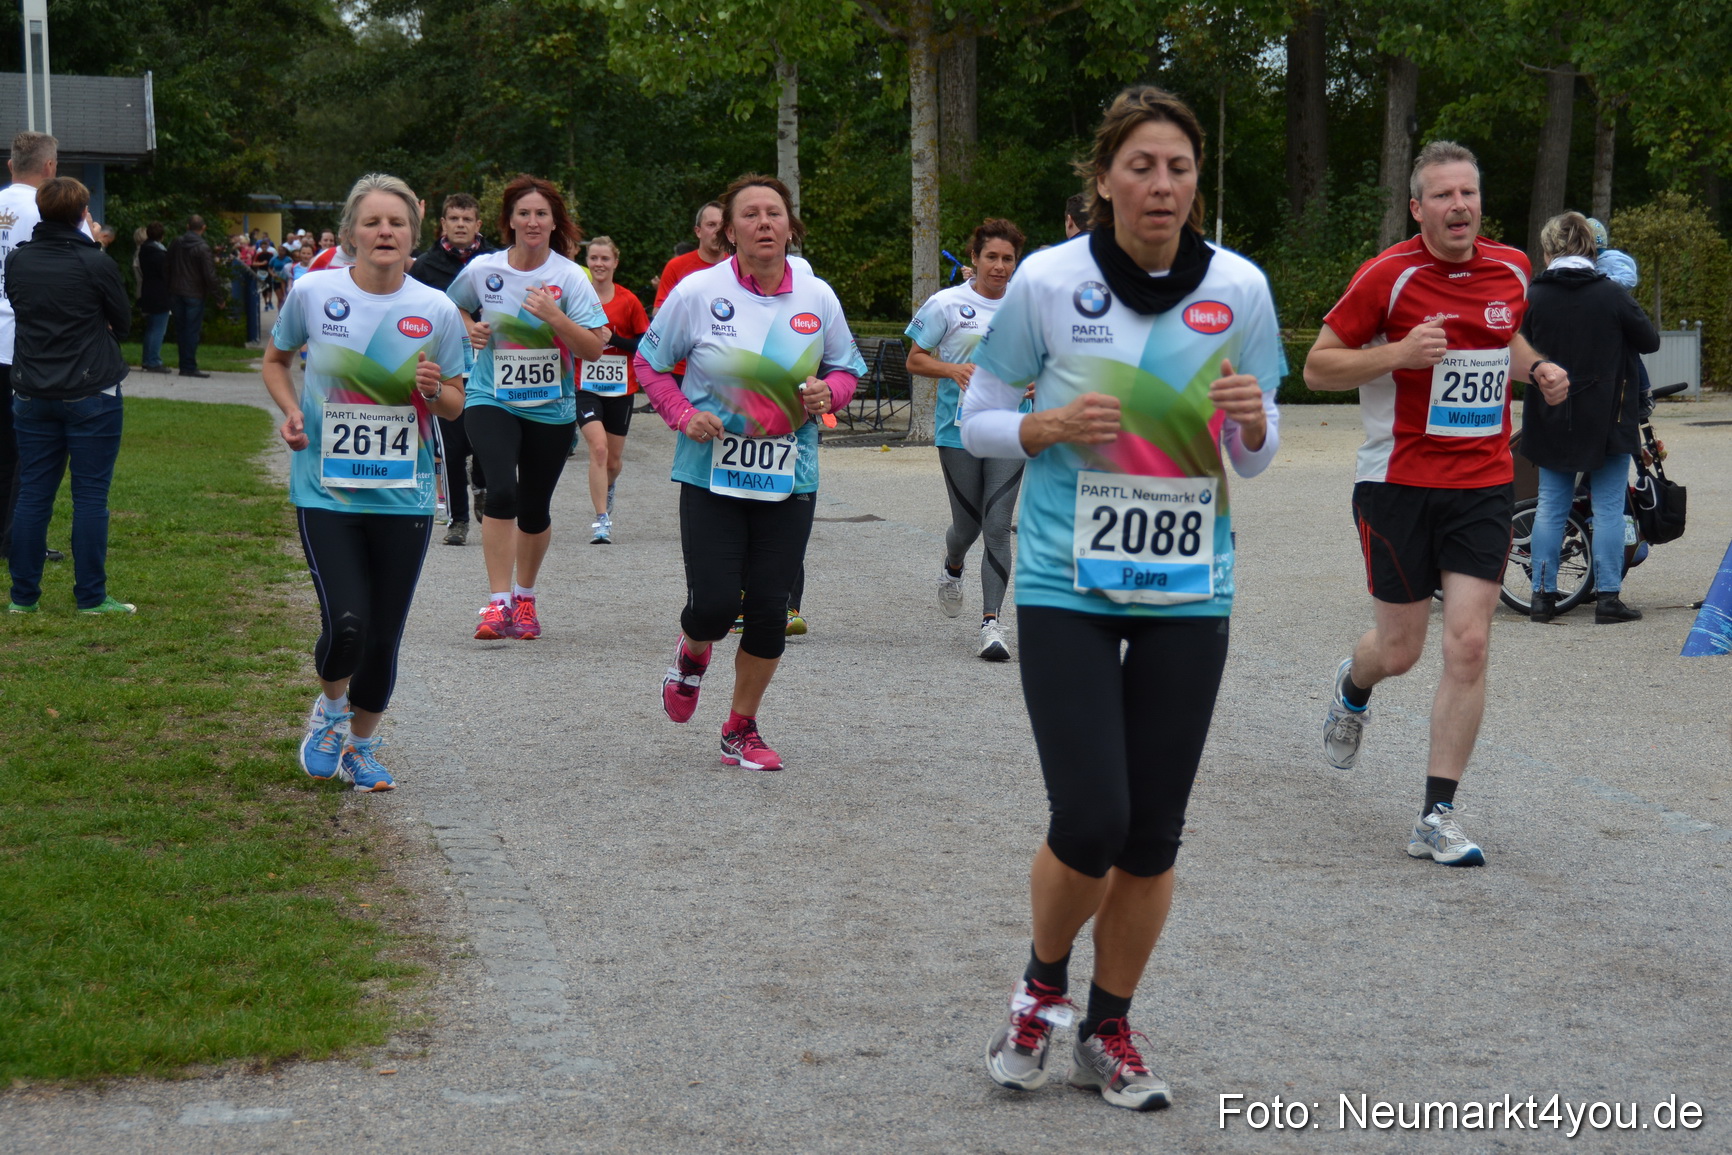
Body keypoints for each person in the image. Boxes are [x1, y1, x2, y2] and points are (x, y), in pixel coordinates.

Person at [962, 86, 1282, 1111]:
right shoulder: (1048, 284)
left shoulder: (1238, 288)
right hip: (1067, 581)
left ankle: (1108, 1026)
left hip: (1191, 586)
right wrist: (1041, 432)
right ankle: (1039, 986)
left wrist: (1250, 422)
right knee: (1092, 814)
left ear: (1197, 184)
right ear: (1103, 179)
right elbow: (978, 414)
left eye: (1178, 168)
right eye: (1140, 166)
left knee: (1152, 834)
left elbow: (1257, 453)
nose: (1160, 184)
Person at [1303, 140, 1569, 867]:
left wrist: (1537, 365)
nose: (1459, 206)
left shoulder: (1512, 267)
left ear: (1481, 203)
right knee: (1399, 648)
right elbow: (1318, 364)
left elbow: (1502, 332)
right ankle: (1352, 686)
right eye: (1443, 196)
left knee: (1470, 642)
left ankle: (1436, 812)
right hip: (1397, 484)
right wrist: (1396, 354)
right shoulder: (1386, 277)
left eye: (1469, 194)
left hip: (1482, 482)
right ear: (1417, 207)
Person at [637, 173, 865, 772]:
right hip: (711, 472)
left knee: (768, 608)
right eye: (751, 215)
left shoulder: (817, 296)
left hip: (791, 475)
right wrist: (683, 414)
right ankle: (692, 655)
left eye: (775, 213)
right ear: (729, 229)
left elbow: (846, 368)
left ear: (791, 226)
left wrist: (828, 394)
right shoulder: (695, 291)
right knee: (713, 606)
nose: (764, 223)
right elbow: (649, 364)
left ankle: (741, 726)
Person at [262, 173, 470, 792]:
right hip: (326, 490)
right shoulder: (313, 292)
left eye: (397, 223)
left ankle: (362, 744)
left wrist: (438, 391)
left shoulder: (435, 309)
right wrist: (292, 413)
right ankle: (329, 714)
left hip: (403, 496)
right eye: (373, 222)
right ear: (351, 232)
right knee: (346, 623)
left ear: (413, 235)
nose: (385, 232)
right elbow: (278, 361)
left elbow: (459, 403)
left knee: (383, 635)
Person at [447, 174, 609, 641]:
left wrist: (556, 318)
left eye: (542, 213)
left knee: (535, 508)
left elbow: (595, 349)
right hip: (491, 396)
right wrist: (471, 329)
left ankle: (525, 598)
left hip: (550, 407)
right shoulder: (484, 270)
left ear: (554, 220)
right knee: (501, 491)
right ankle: (496, 604)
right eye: (524, 213)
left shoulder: (569, 277)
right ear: (509, 221)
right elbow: (451, 307)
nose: (533, 221)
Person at [1521, 211, 1660, 624]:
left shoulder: (1534, 295)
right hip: (1608, 416)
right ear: (1590, 247)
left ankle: (1542, 597)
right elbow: (1649, 341)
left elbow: (1517, 348)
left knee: (1550, 507)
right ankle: (1608, 598)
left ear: (1549, 250)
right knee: (1609, 508)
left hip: (1551, 413)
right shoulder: (1611, 294)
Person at [5, 176, 135, 614]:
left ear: (40, 211)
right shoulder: (94, 263)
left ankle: (23, 597)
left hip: (33, 386)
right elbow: (123, 319)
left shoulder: (19, 261)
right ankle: (91, 596)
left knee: (33, 494)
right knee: (91, 496)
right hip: (90, 389)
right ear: (84, 215)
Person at [906, 217, 1029, 660]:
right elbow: (915, 360)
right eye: (991, 257)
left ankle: (991, 624)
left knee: (997, 527)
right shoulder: (946, 304)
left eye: (1008, 258)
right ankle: (952, 564)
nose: (999, 266)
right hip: (958, 431)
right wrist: (952, 369)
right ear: (974, 259)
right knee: (968, 527)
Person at [410, 192, 495, 545]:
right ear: (442, 224)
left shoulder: (496, 262)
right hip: (448, 368)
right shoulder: (425, 267)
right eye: (453, 219)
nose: (460, 225)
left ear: (478, 224)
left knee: (490, 442)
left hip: (492, 368)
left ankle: (483, 485)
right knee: (452, 448)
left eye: (467, 219)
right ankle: (457, 520)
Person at [574, 236, 649, 544]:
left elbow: (646, 346)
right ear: (587, 263)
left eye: (605, 259)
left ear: (615, 262)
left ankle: (609, 485)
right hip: (586, 386)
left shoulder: (628, 301)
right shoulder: (578, 299)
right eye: (594, 258)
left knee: (614, 461)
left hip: (621, 388)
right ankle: (601, 520)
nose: (599, 264)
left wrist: (615, 339)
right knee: (599, 448)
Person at [166, 214, 219, 378]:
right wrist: (219, 297)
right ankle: (189, 365)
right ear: (203, 228)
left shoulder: (177, 243)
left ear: (188, 226)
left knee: (181, 329)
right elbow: (209, 274)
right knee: (192, 330)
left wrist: (169, 286)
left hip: (176, 291)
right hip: (195, 293)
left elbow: (167, 264)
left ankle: (184, 364)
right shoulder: (203, 247)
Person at [135, 222, 171, 372]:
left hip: (148, 291)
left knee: (151, 328)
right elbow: (167, 274)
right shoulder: (159, 254)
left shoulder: (144, 250)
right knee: (158, 329)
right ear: (162, 237)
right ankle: (153, 360)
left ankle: (147, 359)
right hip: (160, 294)